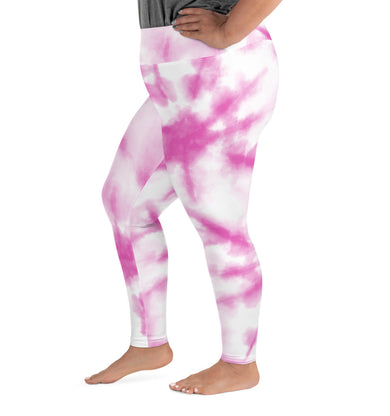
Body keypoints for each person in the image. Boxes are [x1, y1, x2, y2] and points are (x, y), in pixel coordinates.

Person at [84, 0, 283, 395]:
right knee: (125, 203)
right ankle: (148, 344)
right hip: (175, 76)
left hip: (219, 72)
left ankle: (239, 364)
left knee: (219, 223)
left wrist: (228, 30)